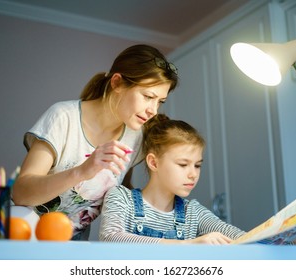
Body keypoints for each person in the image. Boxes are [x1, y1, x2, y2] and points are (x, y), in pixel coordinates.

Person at [11, 44, 179, 240]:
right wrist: (82, 171)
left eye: (160, 101)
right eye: (148, 97)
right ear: (117, 82)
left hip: (74, 245)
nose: (153, 110)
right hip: (23, 234)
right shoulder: (63, 117)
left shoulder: (136, 137)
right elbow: (21, 193)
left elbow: (120, 188)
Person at [99, 114, 296, 244]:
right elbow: (112, 237)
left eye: (197, 165)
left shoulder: (193, 213)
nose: (192, 174)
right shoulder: (121, 197)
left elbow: (245, 242)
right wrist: (187, 247)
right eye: (183, 165)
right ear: (153, 162)